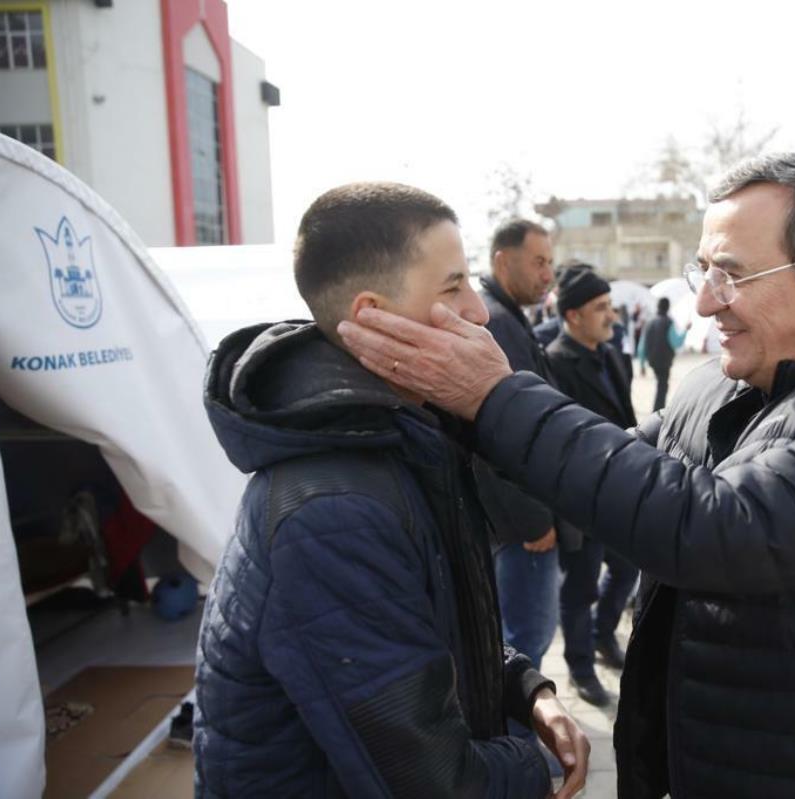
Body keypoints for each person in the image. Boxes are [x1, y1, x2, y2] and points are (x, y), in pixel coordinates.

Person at [340, 151, 795, 798]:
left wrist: (495, 397)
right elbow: (609, 474)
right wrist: (447, 409)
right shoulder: (724, 380)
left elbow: (719, 529)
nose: (706, 304)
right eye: (703, 271)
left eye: (733, 275)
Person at [193, 183, 589, 798]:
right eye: (452, 288)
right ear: (372, 314)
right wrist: (532, 765)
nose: (479, 312)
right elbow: (434, 783)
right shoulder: (333, 511)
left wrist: (523, 689)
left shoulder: (405, 437)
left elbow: (427, 625)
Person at [544, 265, 640, 708]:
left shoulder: (612, 354)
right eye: (601, 308)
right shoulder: (554, 362)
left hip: (618, 489)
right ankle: (580, 667)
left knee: (627, 569)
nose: (611, 316)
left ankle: (603, 636)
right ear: (573, 315)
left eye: (610, 306)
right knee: (580, 585)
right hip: (580, 498)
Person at [476, 219, 560, 673]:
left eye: (551, 263)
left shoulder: (508, 317)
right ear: (503, 262)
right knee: (526, 640)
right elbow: (502, 431)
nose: (548, 275)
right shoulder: (499, 322)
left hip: (515, 522)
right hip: (521, 527)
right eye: (539, 262)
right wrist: (533, 520)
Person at [638, 296, 687, 411]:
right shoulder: (669, 322)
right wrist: (685, 330)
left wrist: (642, 365)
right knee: (663, 386)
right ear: (668, 307)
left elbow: (642, 345)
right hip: (665, 360)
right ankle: (658, 410)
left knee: (660, 384)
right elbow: (676, 342)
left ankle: (657, 409)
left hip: (652, 360)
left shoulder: (649, 322)